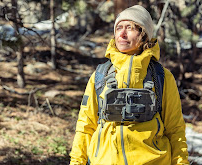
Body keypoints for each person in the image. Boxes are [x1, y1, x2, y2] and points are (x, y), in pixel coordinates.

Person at [70, 5, 189, 165]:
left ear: (144, 35)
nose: (122, 34)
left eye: (130, 28)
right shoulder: (100, 75)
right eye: (119, 28)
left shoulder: (162, 77)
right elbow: (85, 125)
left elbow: (175, 129)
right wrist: (76, 162)